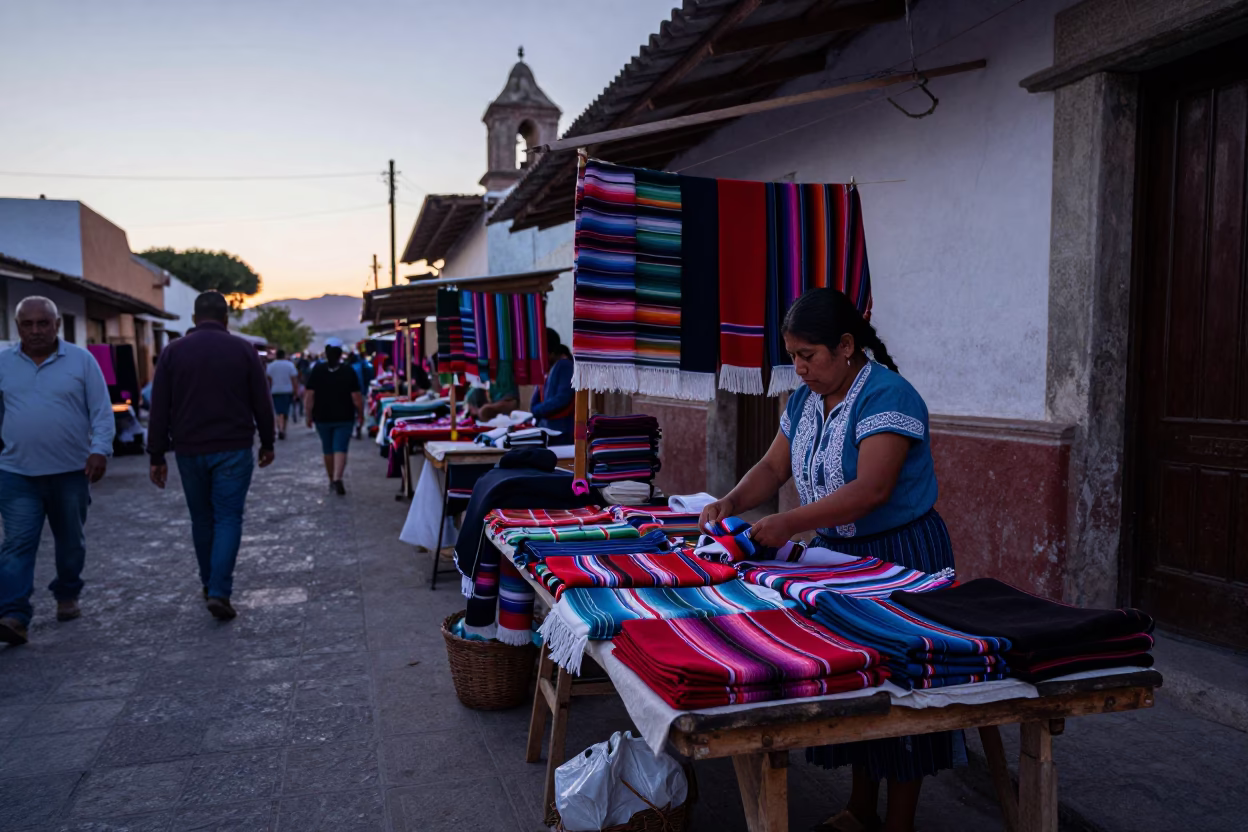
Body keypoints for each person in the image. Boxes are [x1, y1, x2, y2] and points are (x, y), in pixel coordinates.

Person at [699, 288, 948, 832]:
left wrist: (789, 522)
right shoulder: (806, 403)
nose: (801, 368)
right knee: (858, 680)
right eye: (793, 356)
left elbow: (873, 490)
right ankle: (861, 808)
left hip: (900, 557)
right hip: (841, 559)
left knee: (906, 686)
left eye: (808, 355)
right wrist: (731, 501)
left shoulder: (888, 395)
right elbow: (771, 468)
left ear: (845, 346)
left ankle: (898, 822)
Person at [148, 291, 275, 621]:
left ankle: (209, 585)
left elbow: (159, 406)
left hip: (189, 451)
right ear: (226, 318)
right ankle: (219, 590)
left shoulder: (172, 352)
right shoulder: (243, 350)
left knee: (202, 519)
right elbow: (261, 399)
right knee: (229, 517)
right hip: (233, 448)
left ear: (193, 318)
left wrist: (156, 454)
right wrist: (268, 440)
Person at [0, 297, 113, 645]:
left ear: (57, 325)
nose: (35, 330)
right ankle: (13, 614)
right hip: (16, 473)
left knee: (70, 543)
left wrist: (99, 450)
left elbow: (101, 410)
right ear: (17, 327)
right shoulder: (3, 363)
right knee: (17, 544)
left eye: (43, 323)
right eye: (28, 324)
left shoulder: (81, 360)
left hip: (70, 472)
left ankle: (67, 594)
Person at [304, 337, 362, 495]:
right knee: (340, 448)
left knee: (327, 449)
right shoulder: (348, 371)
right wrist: (361, 414)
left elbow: (309, 395)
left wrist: (308, 414)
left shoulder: (317, 370)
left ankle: (331, 479)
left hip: (322, 416)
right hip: (345, 416)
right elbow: (356, 397)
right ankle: (338, 478)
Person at [530, 328, 575, 441]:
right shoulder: (549, 369)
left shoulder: (565, 366)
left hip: (559, 431)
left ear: (550, 352)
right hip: (547, 428)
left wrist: (537, 410)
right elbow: (536, 400)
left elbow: (562, 398)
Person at [266, 348, 300, 440]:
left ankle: (279, 428)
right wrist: (296, 392)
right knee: (285, 411)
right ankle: (282, 429)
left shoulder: (271, 366)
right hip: (287, 391)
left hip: (275, 391)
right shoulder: (290, 365)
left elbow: (268, 380)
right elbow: (294, 380)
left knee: (278, 411)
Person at [349, 352, 374, 438]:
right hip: (361, 391)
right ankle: (358, 426)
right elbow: (370, 375)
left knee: (352, 412)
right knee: (360, 410)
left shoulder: (347, 367)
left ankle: (354, 428)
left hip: (350, 393)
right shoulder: (363, 365)